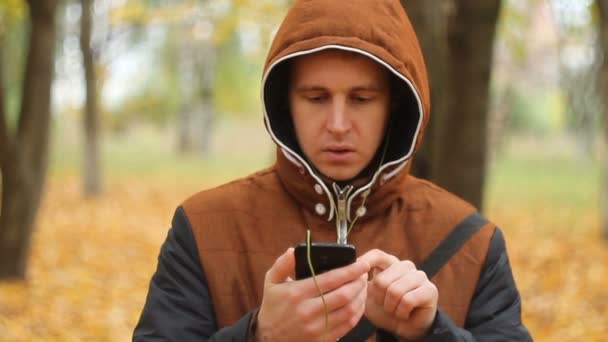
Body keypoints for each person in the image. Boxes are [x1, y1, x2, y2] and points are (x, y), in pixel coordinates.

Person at [133, 0, 532, 341]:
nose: (338, 124)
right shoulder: (205, 226)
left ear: (393, 105)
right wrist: (260, 334)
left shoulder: (470, 241)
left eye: (361, 99)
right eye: (316, 97)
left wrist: (431, 331)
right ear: (285, 102)